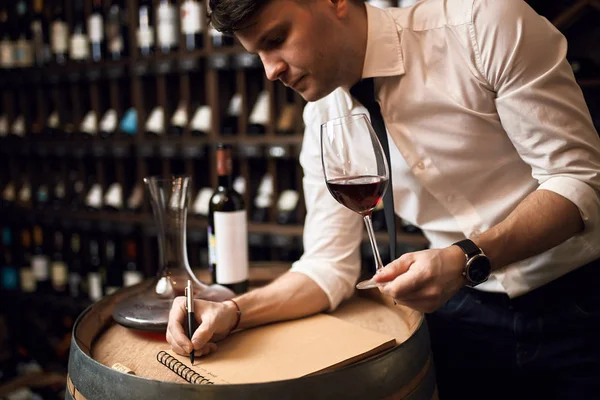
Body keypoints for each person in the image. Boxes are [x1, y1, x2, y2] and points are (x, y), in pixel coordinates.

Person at [167, 0, 600, 397]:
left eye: (276, 40)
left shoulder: (483, 24)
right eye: (256, 54)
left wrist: (465, 257)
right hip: (461, 320)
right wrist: (235, 312)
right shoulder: (322, 116)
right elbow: (327, 267)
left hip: (578, 305)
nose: (270, 71)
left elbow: (578, 180)